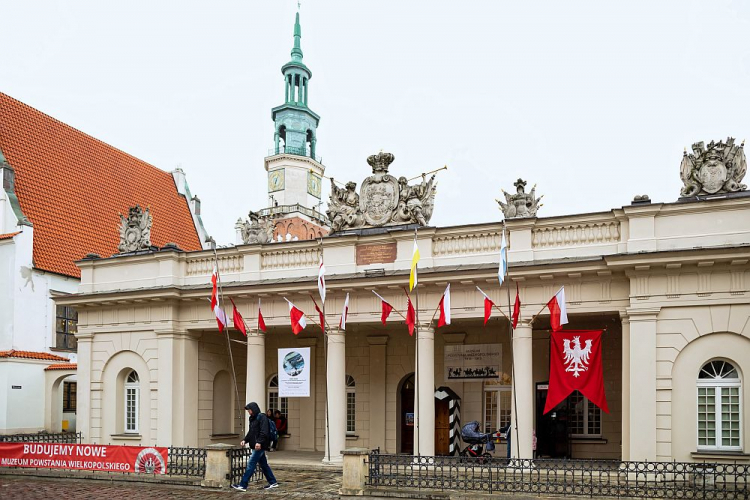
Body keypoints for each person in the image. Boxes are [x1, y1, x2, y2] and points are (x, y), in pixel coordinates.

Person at [231, 402, 278, 492]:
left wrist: (259, 442)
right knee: (264, 465)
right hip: (256, 445)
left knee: (251, 464)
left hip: (260, 446)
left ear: (254, 409)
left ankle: (243, 485)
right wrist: (245, 440)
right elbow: (251, 432)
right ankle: (273, 482)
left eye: (249, 410)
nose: (249, 412)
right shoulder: (252, 419)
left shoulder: (262, 417)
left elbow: (264, 432)